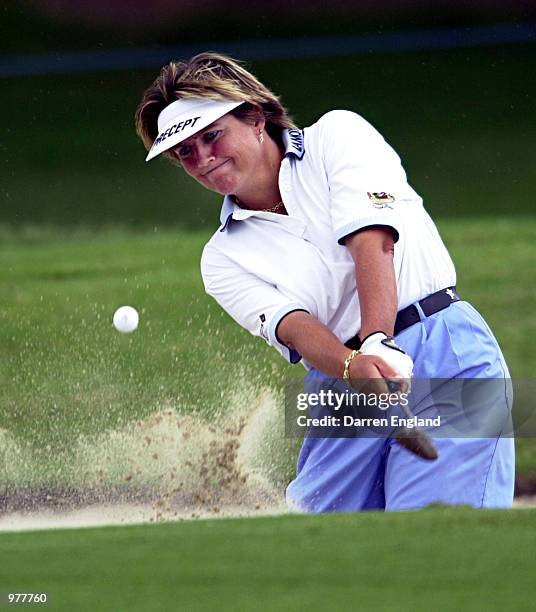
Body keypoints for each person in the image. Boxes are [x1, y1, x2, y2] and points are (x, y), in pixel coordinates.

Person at [135, 52, 515, 512]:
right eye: (185, 152)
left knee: (432, 532)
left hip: (440, 351)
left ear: (255, 117)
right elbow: (294, 327)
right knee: (321, 545)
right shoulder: (221, 258)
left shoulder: (337, 136)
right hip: (341, 386)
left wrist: (378, 340)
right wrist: (355, 366)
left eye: (211, 136)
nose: (202, 159)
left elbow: (372, 240)